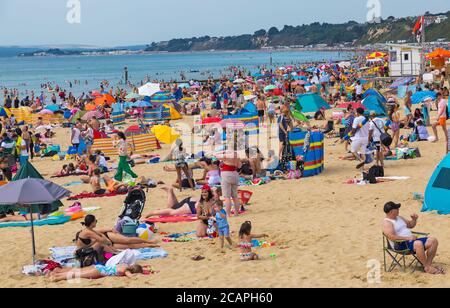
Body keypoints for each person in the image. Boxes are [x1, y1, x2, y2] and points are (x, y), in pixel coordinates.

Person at [381, 202, 444, 275]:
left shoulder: (399, 218)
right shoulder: (387, 223)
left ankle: (428, 265)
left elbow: (410, 225)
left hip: (411, 241)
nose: (398, 209)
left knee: (433, 240)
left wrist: (414, 219)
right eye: (396, 208)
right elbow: (392, 236)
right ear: (391, 211)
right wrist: (408, 238)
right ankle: (427, 267)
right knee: (418, 244)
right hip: (400, 245)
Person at [47, 264, 145, 282]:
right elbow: (131, 276)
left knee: (77, 271)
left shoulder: (124, 265)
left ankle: (55, 274)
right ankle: (56, 278)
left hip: (99, 267)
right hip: (99, 271)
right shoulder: (126, 271)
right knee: (77, 274)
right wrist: (139, 275)